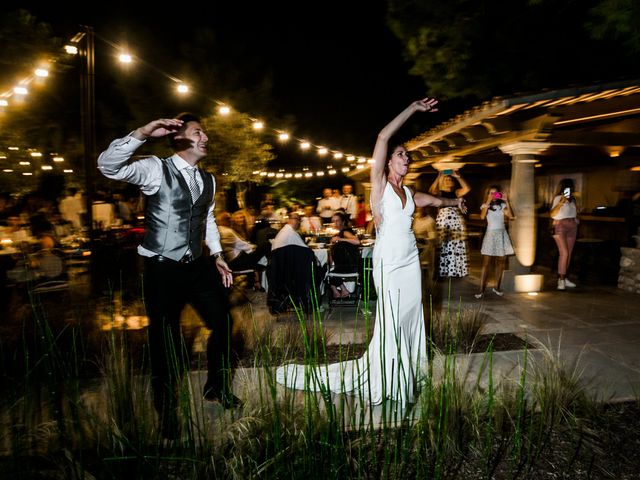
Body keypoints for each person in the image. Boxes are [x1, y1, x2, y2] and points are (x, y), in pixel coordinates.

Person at [276, 98, 466, 405]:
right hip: (389, 261)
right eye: (402, 154)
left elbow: (433, 201)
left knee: (411, 314)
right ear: (390, 162)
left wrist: (454, 202)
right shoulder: (379, 186)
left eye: (408, 156)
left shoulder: (408, 192)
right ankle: (391, 376)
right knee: (392, 317)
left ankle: (411, 368)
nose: (408, 157)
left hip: (410, 261)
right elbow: (382, 137)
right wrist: (413, 109)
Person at [97, 113, 240, 439]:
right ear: (180, 138)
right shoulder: (154, 168)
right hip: (162, 268)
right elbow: (107, 166)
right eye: (198, 132)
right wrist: (143, 132)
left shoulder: (209, 179)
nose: (205, 138)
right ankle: (167, 413)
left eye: (204, 132)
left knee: (223, 323)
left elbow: (209, 220)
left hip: (198, 265)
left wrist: (217, 255)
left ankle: (216, 387)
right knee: (164, 342)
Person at [475, 186, 515, 298]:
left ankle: (496, 287)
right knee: (486, 263)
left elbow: (511, 216)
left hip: (502, 234)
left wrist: (507, 201)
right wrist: (488, 201)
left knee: (500, 262)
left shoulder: (502, 205)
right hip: (491, 235)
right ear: (488, 194)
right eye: (491, 193)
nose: (493, 195)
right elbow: (482, 216)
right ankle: (480, 289)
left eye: (495, 193)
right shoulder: (485, 206)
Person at [429, 169, 471, 277]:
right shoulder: (439, 192)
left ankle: (455, 270)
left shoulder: (456, 192)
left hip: (456, 219)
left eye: (450, 179)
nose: (448, 181)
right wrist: (438, 176)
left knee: (456, 243)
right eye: (446, 179)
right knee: (443, 243)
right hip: (443, 219)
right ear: (443, 181)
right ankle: (444, 270)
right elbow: (431, 191)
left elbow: (467, 188)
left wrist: (457, 176)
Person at [550, 178, 579, 290]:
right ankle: (561, 280)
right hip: (560, 226)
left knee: (569, 254)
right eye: (568, 188)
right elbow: (552, 214)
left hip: (572, 227)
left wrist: (576, 218)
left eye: (571, 188)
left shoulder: (573, 200)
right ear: (562, 188)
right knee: (564, 253)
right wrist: (560, 203)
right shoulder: (558, 198)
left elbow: (574, 213)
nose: (570, 190)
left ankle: (564, 277)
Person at [328, 210, 361, 298]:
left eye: (337, 220)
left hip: (349, 266)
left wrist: (340, 239)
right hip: (346, 266)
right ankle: (341, 290)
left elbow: (357, 241)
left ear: (343, 221)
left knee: (326, 270)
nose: (335, 223)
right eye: (333, 221)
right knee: (329, 269)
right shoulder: (340, 233)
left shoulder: (345, 232)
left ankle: (340, 290)